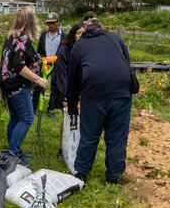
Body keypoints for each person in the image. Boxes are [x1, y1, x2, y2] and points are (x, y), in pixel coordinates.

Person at [66, 17, 133, 185]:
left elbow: (73, 79)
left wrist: (72, 106)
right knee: (117, 137)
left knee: (89, 136)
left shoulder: (80, 45)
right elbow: (127, 64)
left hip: (94, 95)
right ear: (102, 29)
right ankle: (114, 177)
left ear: (86, 31)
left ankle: (82, 174)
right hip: (122, 94)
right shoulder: (116, 38)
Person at [0, 7, 46, 166]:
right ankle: (13, 153)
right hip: (17, 85)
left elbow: (4, 63)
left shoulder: (11, 37)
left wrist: (1, 88)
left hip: (7, 84)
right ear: (30, 21)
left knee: (15, 118)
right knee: (26, 118)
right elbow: (19, 66)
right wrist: (38, 79)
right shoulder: (22, 39)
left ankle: (12, 151)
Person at [51, 22, 86, 159]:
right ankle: (62, 148)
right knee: (67, 119)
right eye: (79, 33)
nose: (81, 35)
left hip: (81, 89)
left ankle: (76, 147)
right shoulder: (64, 50)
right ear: (73, 34)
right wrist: (68, 98)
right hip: (63, 88)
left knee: (80, 120)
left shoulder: (86, 50)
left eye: (84, 33)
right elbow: (62, 75)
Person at [33, 13, 62, 118]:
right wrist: (42, 60)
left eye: (53, 22)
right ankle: (34, 107)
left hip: (57, 65)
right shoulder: (43, 35)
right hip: (44, 64)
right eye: (49, 23)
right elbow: (39, 51)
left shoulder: (64, 36)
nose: (51, 25)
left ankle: (51, 109)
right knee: (39, 85)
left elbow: (65, 51)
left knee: (54, 87)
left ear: (58, 22)